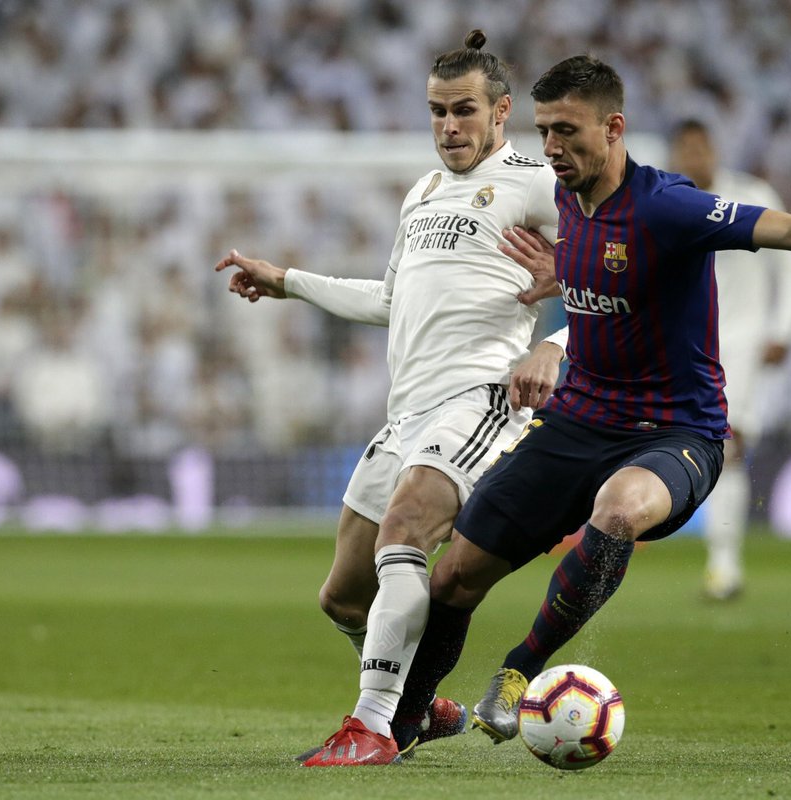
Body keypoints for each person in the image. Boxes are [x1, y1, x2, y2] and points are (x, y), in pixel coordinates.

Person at [375, 54, 791, 758]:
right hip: (575, 422)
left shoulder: (668, 206)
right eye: (545, 130)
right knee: (455, 574)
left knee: (619, 511)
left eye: (568, 131)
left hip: (675, 433)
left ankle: (518, 672)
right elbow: (591, 265)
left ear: (614, 128)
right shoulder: (561, 200)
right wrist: (562, 283)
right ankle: (398, 725)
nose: (552, 147)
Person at [215, 31, 567, 766]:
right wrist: (287, 281)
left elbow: (614, 273)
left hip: (482, 396)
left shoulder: (537, 181)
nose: (449, 127)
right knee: (342, 596)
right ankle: (422, 708)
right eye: (437, 111)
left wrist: (553, 346)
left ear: (502, 112)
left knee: (405, 526)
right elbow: (389, 297)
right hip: (407, 410)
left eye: (464, 111)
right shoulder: (424, 191)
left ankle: (375, 725)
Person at [668, 118, 791, 600]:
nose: (694, 158)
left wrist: (784, 328)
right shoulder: (667, 200)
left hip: (744, 340)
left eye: (700, 148)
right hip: (686, 343)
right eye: (685, 150)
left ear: (714, 149)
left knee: (730, 445)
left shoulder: (750, 194)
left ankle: (723, 565)